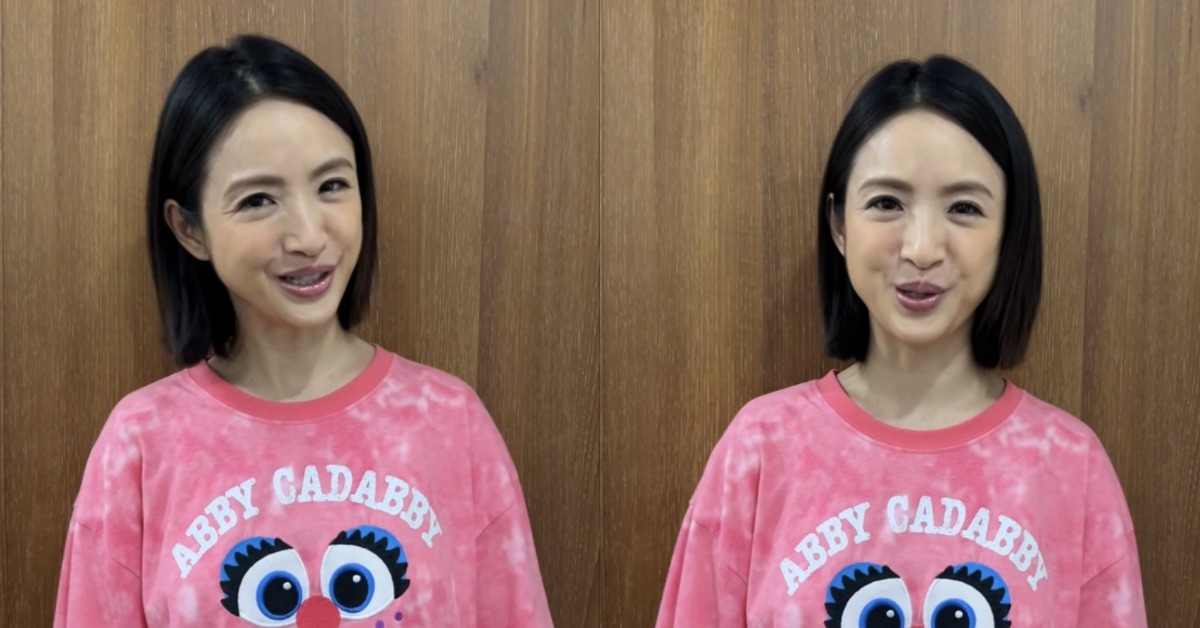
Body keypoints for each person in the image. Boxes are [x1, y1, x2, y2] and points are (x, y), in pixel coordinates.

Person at [54, 34, 552, 627]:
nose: (309, 236)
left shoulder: (448, 422)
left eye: (332, 186)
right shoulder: (141, 443)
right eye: (258, 200)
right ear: (190, 230)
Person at [656, 56, 1146, 627]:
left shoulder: (1069, 466)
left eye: (964, 207)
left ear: (1009, 231)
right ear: (839, 224)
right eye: (887, 203)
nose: (921, 248)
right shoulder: (761, 450)